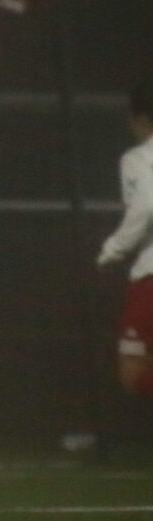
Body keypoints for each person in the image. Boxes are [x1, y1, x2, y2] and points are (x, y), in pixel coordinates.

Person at [98, 80, 153, 402]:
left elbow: (146, 204)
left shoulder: (138, 158)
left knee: (132, 373)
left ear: (141, 120)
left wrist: (110, 253)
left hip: (150, 279)